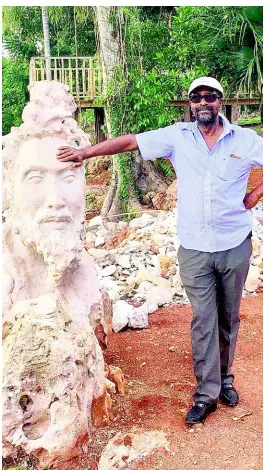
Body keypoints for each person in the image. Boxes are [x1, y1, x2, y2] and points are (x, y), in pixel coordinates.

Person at [57, 76, 263, 424]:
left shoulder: (245, 140)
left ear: (220, 102)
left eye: (209, 97)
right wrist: (87, 152)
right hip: (194, 248)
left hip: (234, 244)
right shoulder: (176, 137)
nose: (202, 103)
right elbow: (129, 143)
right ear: (189, 104)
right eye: (196, 97)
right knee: (203, 319)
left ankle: (226, 379)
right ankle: (207, 393)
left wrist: (255, 196)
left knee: (229, 317)